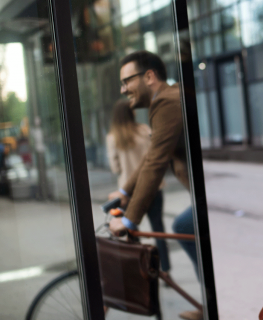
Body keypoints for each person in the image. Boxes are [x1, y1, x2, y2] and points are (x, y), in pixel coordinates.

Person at [107, 51, 200, 320]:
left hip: (211, 197)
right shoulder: (166, 99)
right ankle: (207, 300)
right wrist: (125, 191)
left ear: (149, 76)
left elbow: (156, 162)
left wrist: (130, 221)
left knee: (183, 226)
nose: (124, 90)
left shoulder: (167, 103)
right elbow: (151, 156)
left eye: (127, 82)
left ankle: (208, 302)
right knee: (181, 226)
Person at [106, 99, 171, 274]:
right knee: (159, 229)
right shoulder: (144, 131)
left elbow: (115, 168)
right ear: (131, 113)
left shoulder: (113, 138)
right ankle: (165, 269)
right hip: (153, 187)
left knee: (131, 231)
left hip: (129, 193)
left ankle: (140, 271)